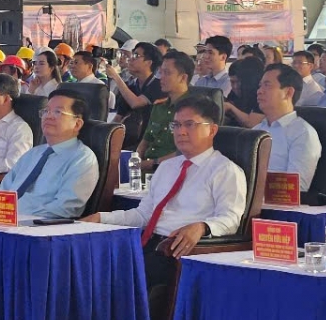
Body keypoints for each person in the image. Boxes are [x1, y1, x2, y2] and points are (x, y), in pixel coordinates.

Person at [84, 93, 246, 289]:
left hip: (179, 252)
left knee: (117, 278)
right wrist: (101, 218)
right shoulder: (167, 167)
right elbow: (143, 215)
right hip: (148, 244)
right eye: (176, 125)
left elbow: (230, 219)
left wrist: (202, 227)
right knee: (91, 263)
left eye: (189, 124)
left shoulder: (226, 171)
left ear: (212, 130)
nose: (180, 132)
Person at [0, 89, 99, 219]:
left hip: (37, 226)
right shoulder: (33, 154)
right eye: (46, 111)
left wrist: (17, 214)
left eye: (58, 112)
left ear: (77, 124)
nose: (48, 116)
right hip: (4, 221)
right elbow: (4, 190)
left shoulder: (82, 158)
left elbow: (65, 208)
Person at [254, 64, 322, 191]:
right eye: (260, 86)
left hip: (275, 201)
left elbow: (295, 188)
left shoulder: (303, 133)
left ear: (288, 92)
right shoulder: (256, 131)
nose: (259, 91)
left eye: (267, 85)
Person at [136, 50, 195, 171]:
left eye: (167, 73)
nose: (161, 78)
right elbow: (145, 141)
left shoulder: (194, 110)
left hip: (173, 169)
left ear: (183, 78)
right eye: (160, 72)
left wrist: (151, 164)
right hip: (146, 169)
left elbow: (187, 152)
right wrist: (136, 161)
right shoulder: (159, 106)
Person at [105, 42, 163, 149]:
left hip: (149, 143)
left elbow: (136, 103)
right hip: (128, 140)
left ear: (148, 63)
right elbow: (118, 118)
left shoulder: (158, 85)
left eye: (136, 55)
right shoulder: (131, 86)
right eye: (131, 55)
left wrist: (116, 77)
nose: (130, 59)